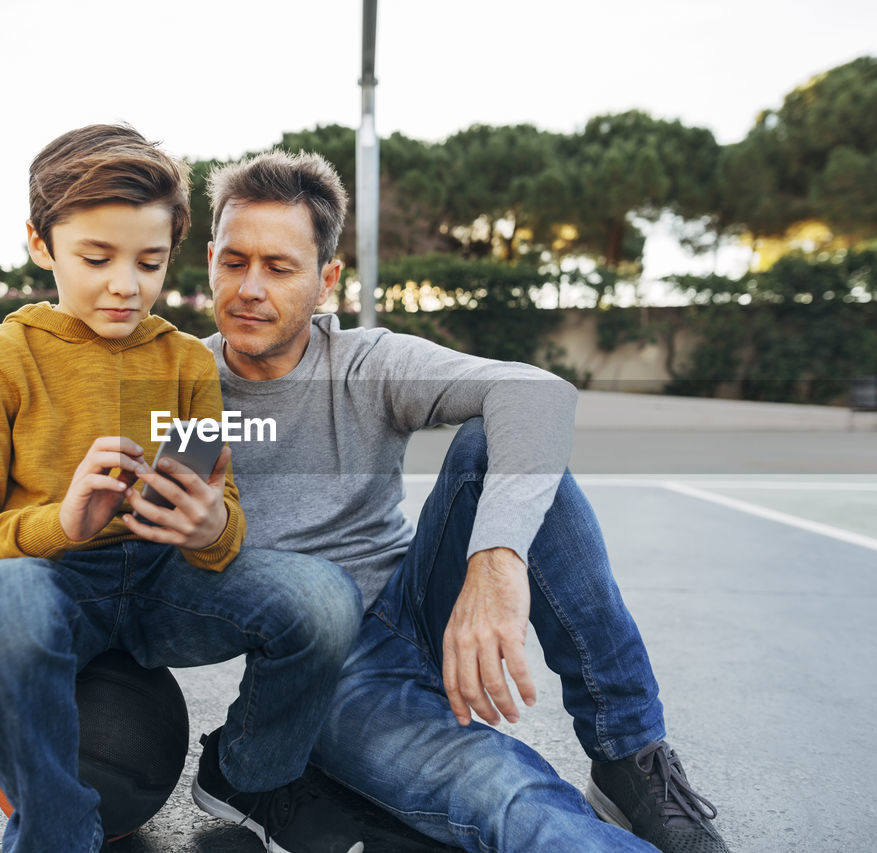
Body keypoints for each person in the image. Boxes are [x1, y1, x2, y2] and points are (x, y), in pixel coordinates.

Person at [197, 149, 732, 853]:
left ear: (327, 281)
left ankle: (628, 754)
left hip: (421, 600)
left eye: (279, 266)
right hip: (331, 668)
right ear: (209, 259)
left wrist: (496, 557)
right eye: (234, 262)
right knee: (513, 800)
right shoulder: (186, 387)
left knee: (495, 441)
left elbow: (536, 394)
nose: (250, 288)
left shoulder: (367, 363)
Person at [0, 125, 365, 853]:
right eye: (96, 258)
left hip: (164, 582)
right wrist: (60, 522)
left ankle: (255, 776)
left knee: (323, 598)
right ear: (41, 244)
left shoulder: (186, 362)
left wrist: (208, 525)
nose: (124, 284)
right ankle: (54, 831)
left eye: (150, 262)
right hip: (54, 584)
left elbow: (229, 522)